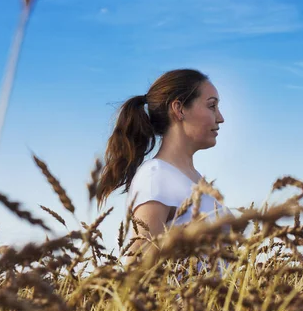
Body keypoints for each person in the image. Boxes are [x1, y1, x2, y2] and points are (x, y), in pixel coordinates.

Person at [96, 69, 226, 265]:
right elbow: (137, 270)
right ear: (179, 109)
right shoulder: (156, 176)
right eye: (212, 106)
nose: (220, 117)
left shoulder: (196, 180)